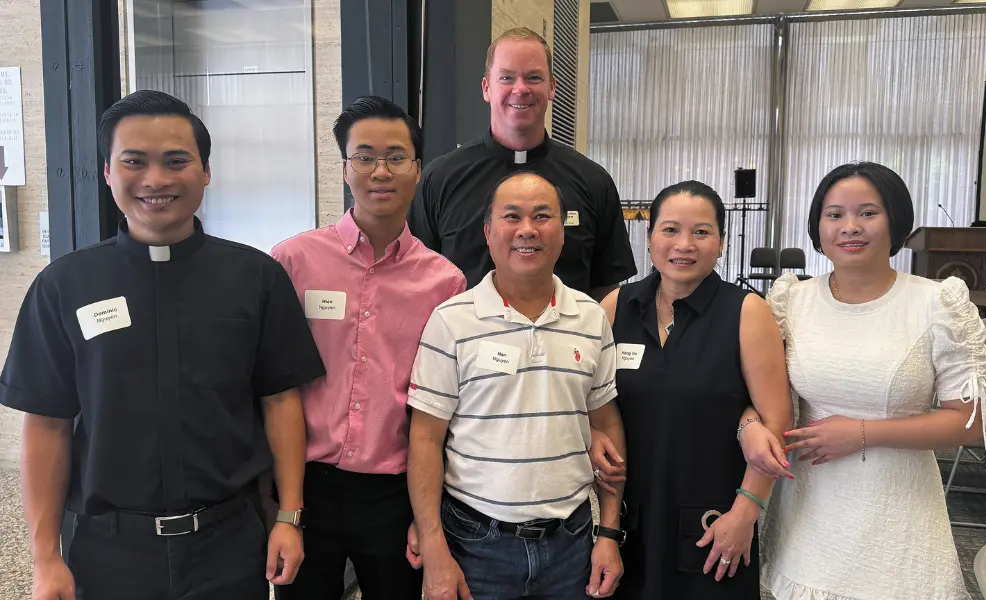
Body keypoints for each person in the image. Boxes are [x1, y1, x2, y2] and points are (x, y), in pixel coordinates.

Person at [0, 90, 325, 600]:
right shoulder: (65, 285)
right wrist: (44, 557)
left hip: (228, 541)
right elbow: (45, 425)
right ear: (108, 172)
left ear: (206, 171)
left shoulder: (255, 277)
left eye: (177, 161)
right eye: (134, 162)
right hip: (108, 549)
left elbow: (281, 401)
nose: (156, 180)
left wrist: (289, 516)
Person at [754, 162, 986, 599]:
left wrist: (864, 433)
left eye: (868, 212)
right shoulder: (792, 302)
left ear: (896, 220)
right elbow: (762, 397)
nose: (850, 227)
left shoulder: (937, 303)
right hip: (810, 513)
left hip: (899, 516)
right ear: (818, 225)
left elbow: (973, 421)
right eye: (834, 215)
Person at [269, 95, 466, 600]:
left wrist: (429, 515)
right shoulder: (293, 262)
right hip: (305, 484)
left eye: (396, 157)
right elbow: (267, 380)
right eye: (365, 156)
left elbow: (450, 408)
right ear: (343, 168)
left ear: (418, 169)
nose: (381, 170)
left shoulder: (444, 282)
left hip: (394, 492)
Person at [406, 171, 627, 600]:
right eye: (512, 217)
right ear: (488, 232)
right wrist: (434, 546)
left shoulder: (591, 317)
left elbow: (607, 425)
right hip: (475, 543)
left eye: (543, 216)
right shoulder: (451, 320)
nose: (528, 230)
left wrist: (610, 533)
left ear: (562, 233)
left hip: (572, 543)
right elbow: (425, 438)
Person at [594, 181, 794, 599]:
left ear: (720, 242)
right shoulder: (616, 307)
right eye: (670, 230)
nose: (684, 244)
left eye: (701, 232)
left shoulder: (746, 312)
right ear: (649, 239)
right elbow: (592, 403)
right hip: (630, 520)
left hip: (713, 525)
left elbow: (776, 423)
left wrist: (744, 514)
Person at [407, 27, 636, 299]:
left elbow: (606, 292)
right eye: (506, 78)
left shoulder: (592, 181)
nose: (520, 89)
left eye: (534, 77)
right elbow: (417, 281)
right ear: (486, 88)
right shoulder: (441, 179)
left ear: (552, 87)